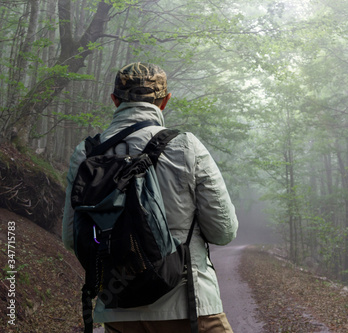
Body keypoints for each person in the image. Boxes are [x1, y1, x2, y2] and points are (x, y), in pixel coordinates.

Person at [62, 62, 238, 333]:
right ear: (165, 101)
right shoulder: (187, 146)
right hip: (189, 305)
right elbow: (223, 232)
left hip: (119, 311)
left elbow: (73, 238)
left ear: (114, 100)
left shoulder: (86, 153)